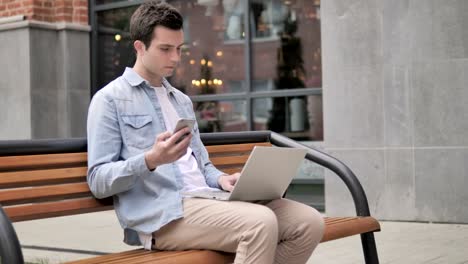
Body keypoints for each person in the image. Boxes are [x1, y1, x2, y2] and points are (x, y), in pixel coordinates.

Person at [86, 1, 324, 263]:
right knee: (260, 223)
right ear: (139, 47)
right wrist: (151, 160)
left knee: (308, 222)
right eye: (165, 49)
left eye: (178, 49)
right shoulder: (110, 99)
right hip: (164, 215)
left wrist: (222, 180)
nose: (175, 58)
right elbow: (98, 181)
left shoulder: (181, 101)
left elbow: (202, 165)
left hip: (208, 199)